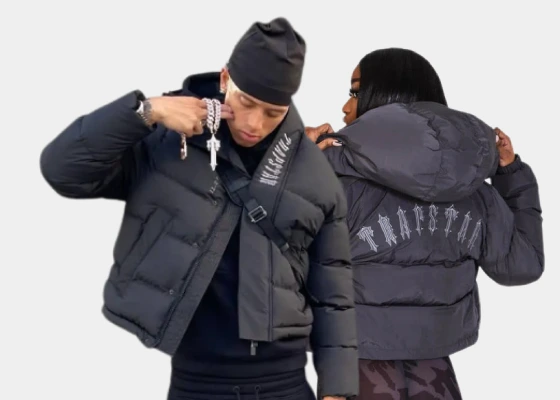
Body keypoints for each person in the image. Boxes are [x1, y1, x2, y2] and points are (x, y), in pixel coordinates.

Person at [40, 17, 358, 400]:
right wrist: (146, 112)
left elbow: (334, 293)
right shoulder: (164, 140)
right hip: (195, 382)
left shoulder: (313, 170)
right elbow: (63, 170)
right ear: (225, 79)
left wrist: (337, 391)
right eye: (246, 102)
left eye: (273, 112)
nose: (254, 124)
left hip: (284, 383)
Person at [305, 47, 544, 399]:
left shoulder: (335, 183)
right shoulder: (475, 191)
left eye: (355, 93)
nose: (344, 107)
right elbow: (522, 266)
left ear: (385, 98)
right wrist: (512, 176)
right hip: (435, 368)